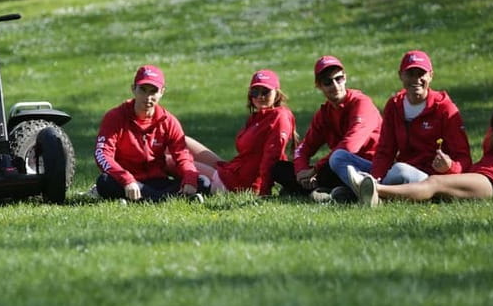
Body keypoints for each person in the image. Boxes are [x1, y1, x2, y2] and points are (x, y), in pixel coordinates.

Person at [351, 71, 493, 206]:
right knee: (438, 191)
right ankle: (370, 194)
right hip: (482, 173)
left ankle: (375, 190)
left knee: (435, 183)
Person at [342, 50, 472, 194]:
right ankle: (371, 188)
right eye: (410, 74)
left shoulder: (445, 108)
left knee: (400, 170)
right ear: (400, 76)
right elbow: (385, 151)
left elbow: (464, 158)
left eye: (421, 74)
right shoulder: (394, 105)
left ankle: (361, 191)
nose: (416, 79)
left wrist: (450, 167)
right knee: (339, 157)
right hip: (398, 171)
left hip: (430, 179)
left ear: (431, 76)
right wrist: (376, 177)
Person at [272, 55, 382, 202]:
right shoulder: (325, 113)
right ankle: (327, 191)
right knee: (278, 168)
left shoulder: (361, 103)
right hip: (334, 167)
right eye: (328, 82)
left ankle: (316, 191)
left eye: (339, 79)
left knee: (335, 160)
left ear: (345, 78)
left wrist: (315, 170)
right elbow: (303, 148)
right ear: (319, 86)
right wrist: (301, 171)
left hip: (367, 167)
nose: (335, 85)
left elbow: (349, 146)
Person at [93, 65, 205, 202]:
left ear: (162, 92)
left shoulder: (169, 121)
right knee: (105, 181)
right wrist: (126, 179)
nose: (148, 97)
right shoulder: (115, 117)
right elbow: (103, 154)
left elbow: (182, 155)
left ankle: (142, 199)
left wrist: (190, 179)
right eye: (143, 90)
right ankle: (169, 199)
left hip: (158, 180)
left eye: (153, 91)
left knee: (202, 182)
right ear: (133, 89)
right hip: (127, 180)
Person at [185, 69, 296, 197]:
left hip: (238, 184)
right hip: (233, 171)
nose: (260, 96)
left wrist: (264, 191)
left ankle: (160, 187)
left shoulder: (279, 117)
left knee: (171, 161)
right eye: (255, 92)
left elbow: (272, 157)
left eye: (265, 91)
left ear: (276, 93)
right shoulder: (258, 117)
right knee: (181, 141)